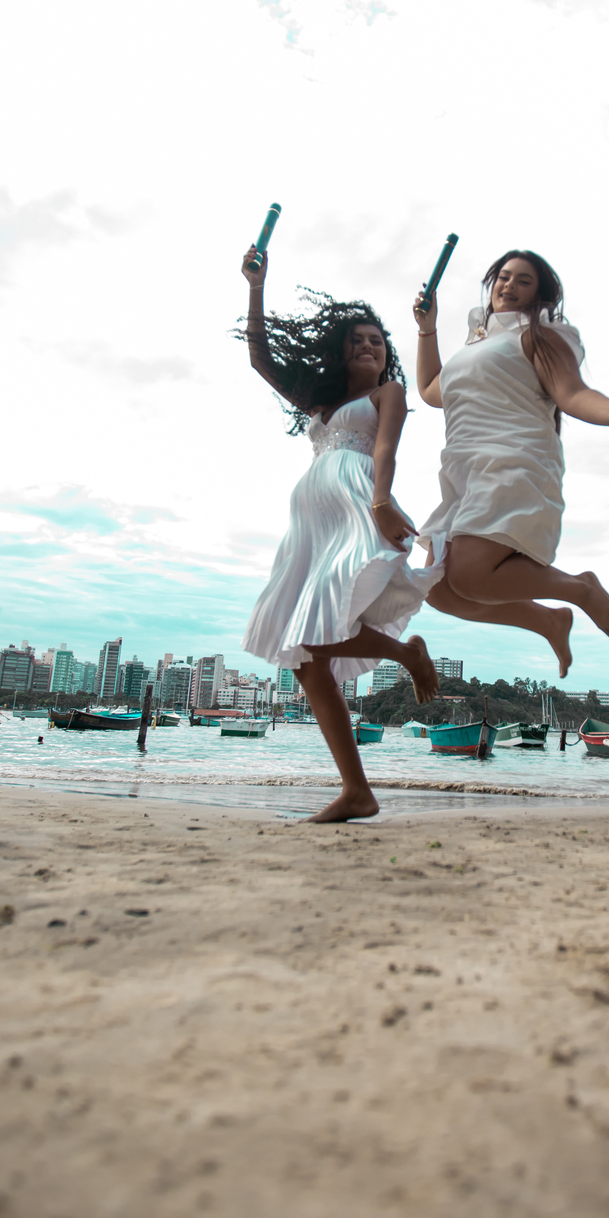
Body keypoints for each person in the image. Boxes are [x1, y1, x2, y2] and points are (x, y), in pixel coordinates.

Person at [240, 244, 441, 823]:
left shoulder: (388, 393)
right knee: (306, 662)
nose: (369, 347)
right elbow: (260, 360)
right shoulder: (323, 399)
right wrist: (256, 287)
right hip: (311, 524)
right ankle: (358, 791)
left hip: (358, 507)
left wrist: (381, 502)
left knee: (317, 639)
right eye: (357, 341)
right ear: (339, 352)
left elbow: (385, 451)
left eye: (378, 341)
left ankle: (406, 653)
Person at [413, 249, 609, 678]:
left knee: (472, 575)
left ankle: (579, 588)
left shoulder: (537, 335)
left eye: (523, 280)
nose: (508, 285)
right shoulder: (474, 346)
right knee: (439, 591)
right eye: (503, 277)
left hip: (514, 460)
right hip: (463, 471)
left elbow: (571, 393)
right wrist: (427, 330)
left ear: (540, 295)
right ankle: (548, 621)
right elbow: (429, 390)